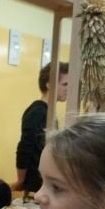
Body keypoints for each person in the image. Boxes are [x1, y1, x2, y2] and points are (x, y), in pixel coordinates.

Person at [11, 62, 69, 196]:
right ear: (49, 84)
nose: (68, 89)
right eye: (65, 84)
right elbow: (25, 147)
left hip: (45, 181)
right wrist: (21, 180)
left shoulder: (49, 111)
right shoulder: (38, 111)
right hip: (35, 184)